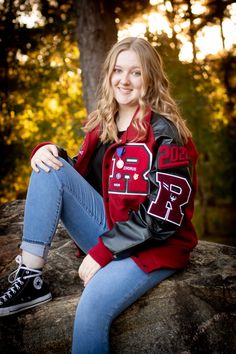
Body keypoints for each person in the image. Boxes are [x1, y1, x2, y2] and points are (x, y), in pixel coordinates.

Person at [0, 37, 198, 353]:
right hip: (110, 230)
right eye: (118, 70)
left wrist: (104, 250)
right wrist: (50, 151)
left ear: (151, 78)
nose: (124, 79)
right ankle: (29, 278)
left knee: (91, 309)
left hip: (155, 246)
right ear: (108, 75)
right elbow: (78, 179)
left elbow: (164, 215)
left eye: (135, 72)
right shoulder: (102, 124)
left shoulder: (166, 132)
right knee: (48, 165)